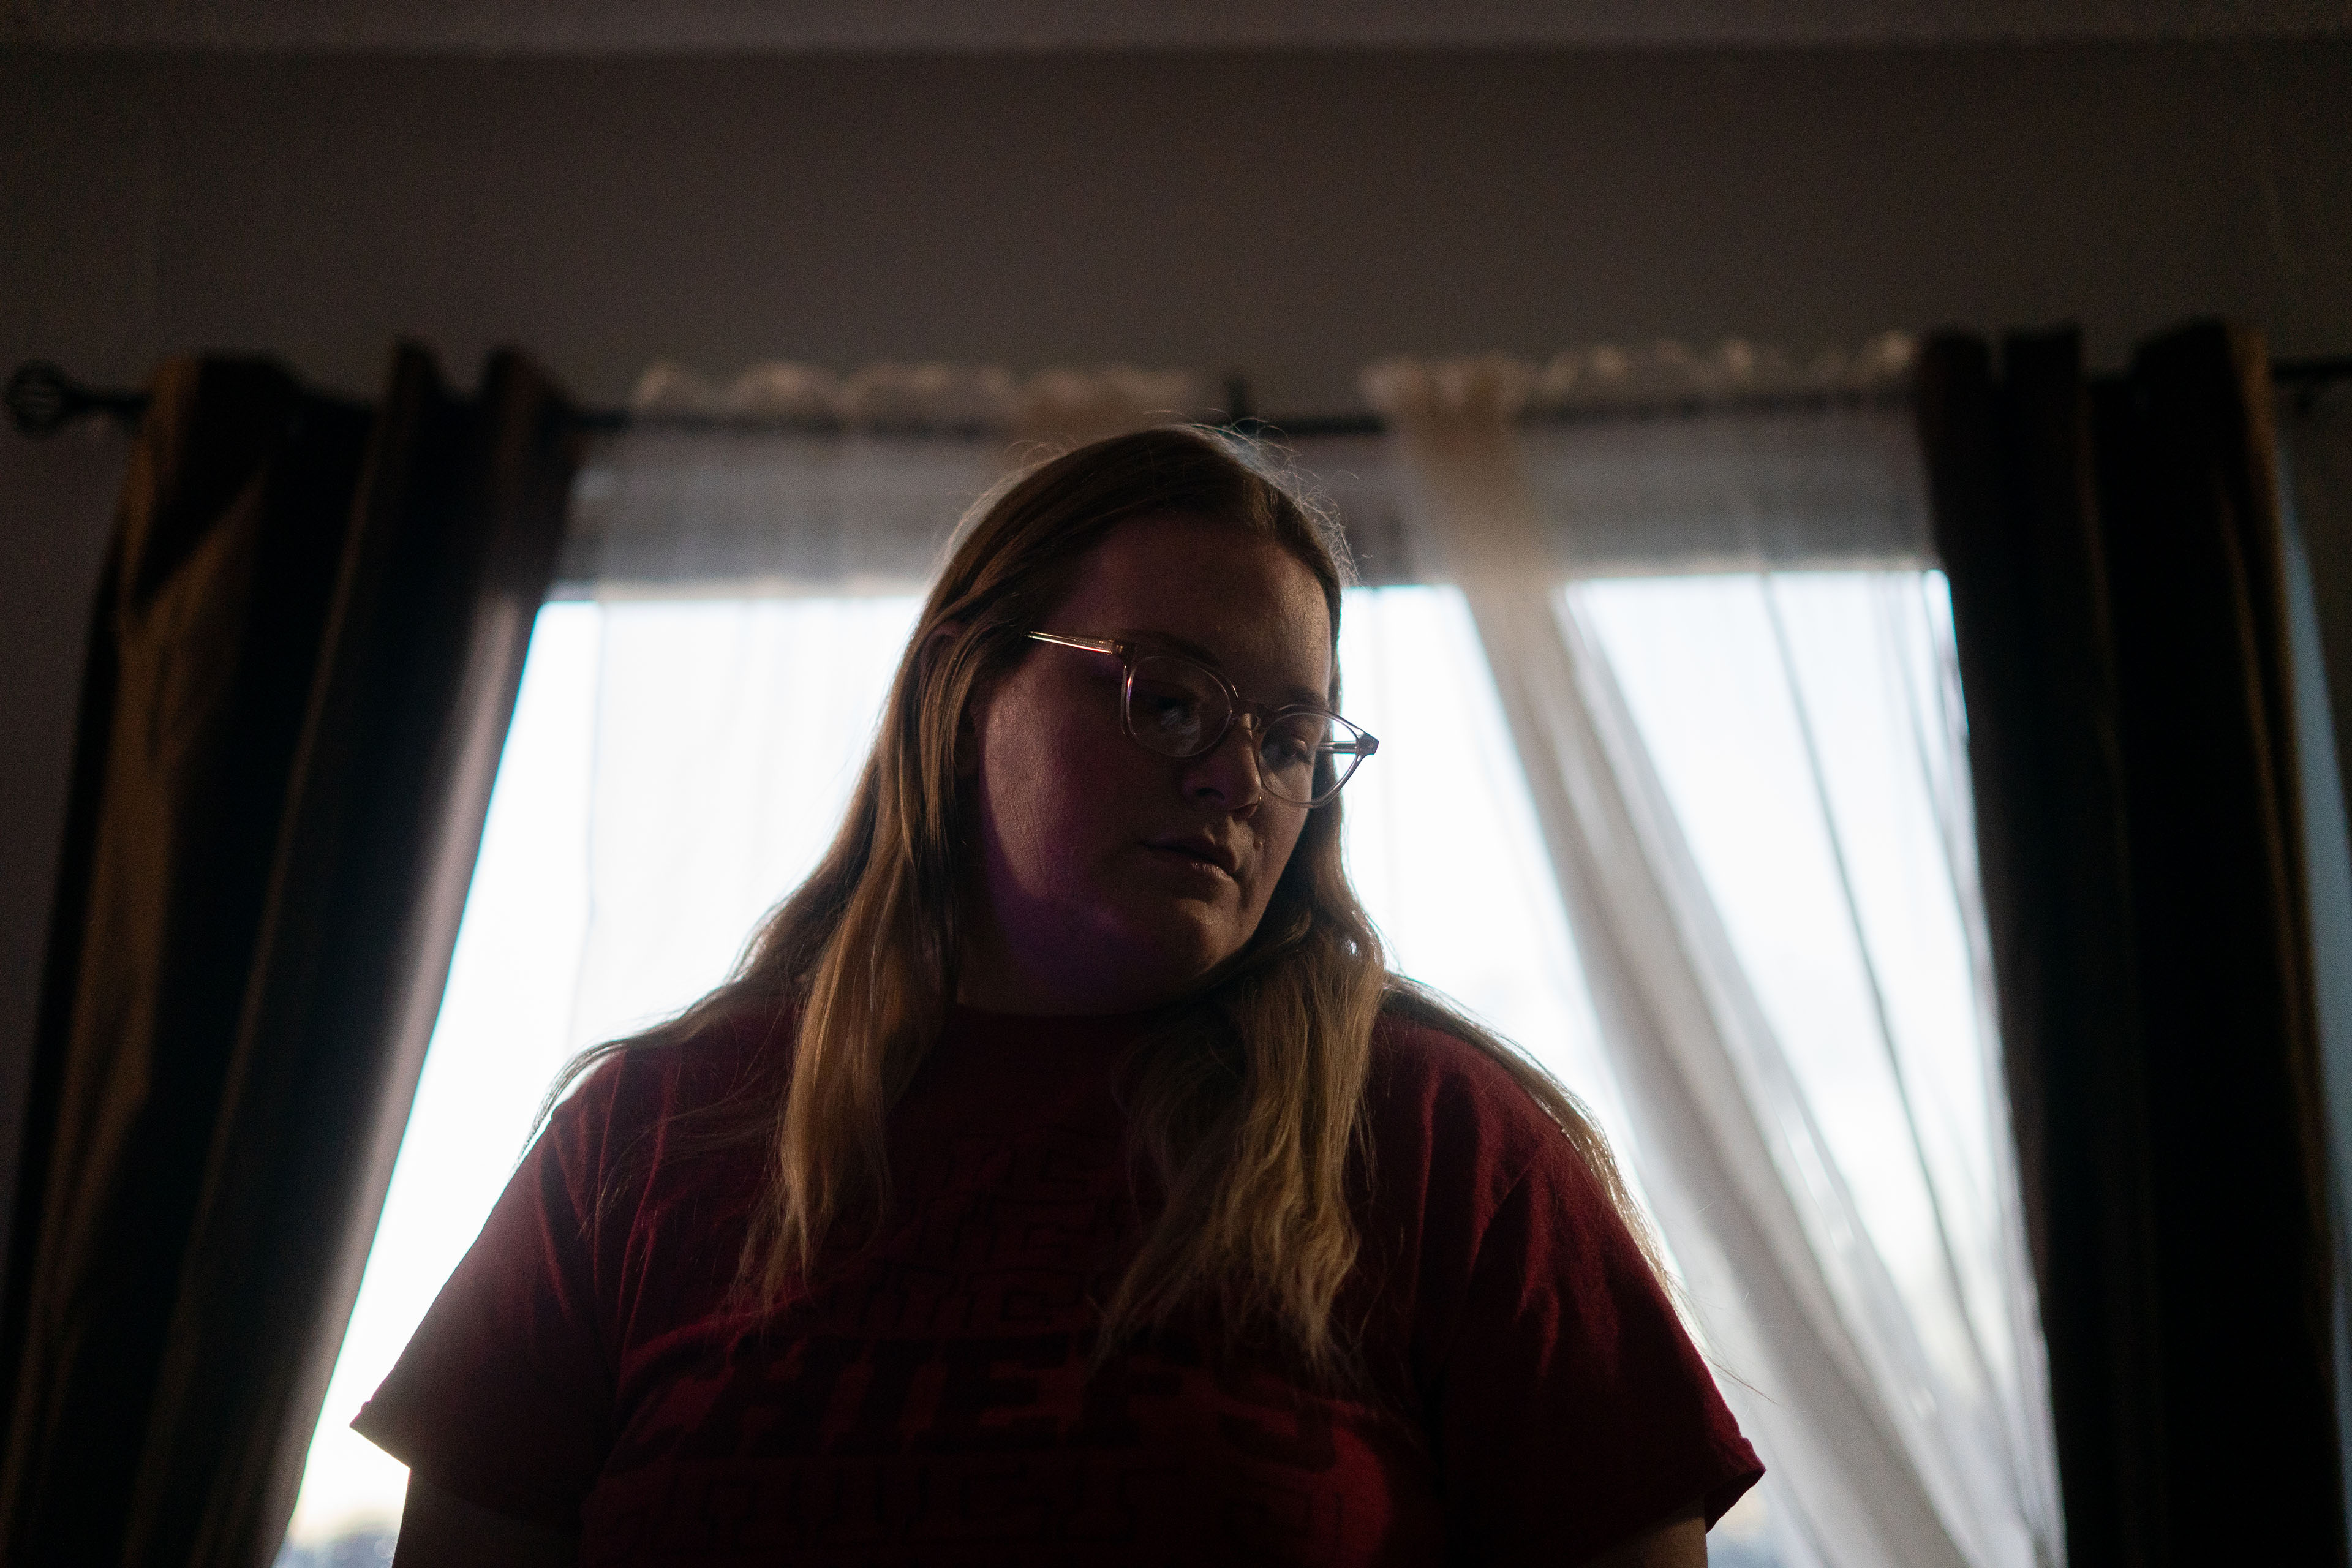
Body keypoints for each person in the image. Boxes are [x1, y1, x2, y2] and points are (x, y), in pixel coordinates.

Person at [359, 427, 1762, 1566]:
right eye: (1167, 700)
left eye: (1289, 736)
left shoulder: (1439, 1140)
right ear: (966, 691)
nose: (1237, 780)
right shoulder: (648, 1138)